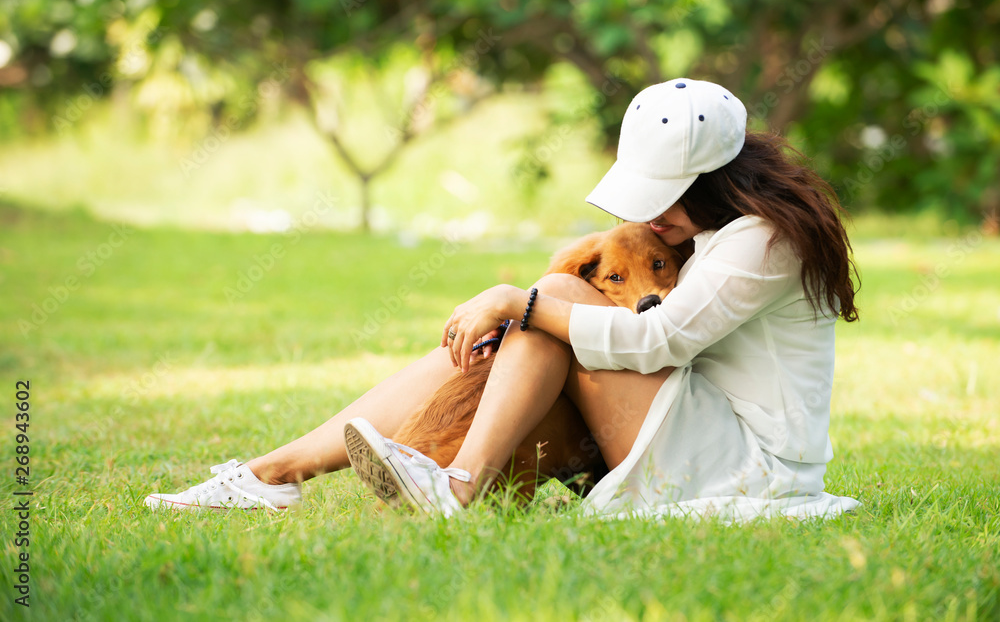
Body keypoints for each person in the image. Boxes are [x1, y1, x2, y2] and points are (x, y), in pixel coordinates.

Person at [145, 78, 861, 521]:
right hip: (696, 425)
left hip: (748, 469)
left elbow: (658, 341)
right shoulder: (717, 230)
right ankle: (274, 472)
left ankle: (455, 488)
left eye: (667, 201)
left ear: (715, 181)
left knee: (544, 300)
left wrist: (513, 301)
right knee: (523, 326)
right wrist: (518, 316)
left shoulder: (766, 239)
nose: (653, 219)